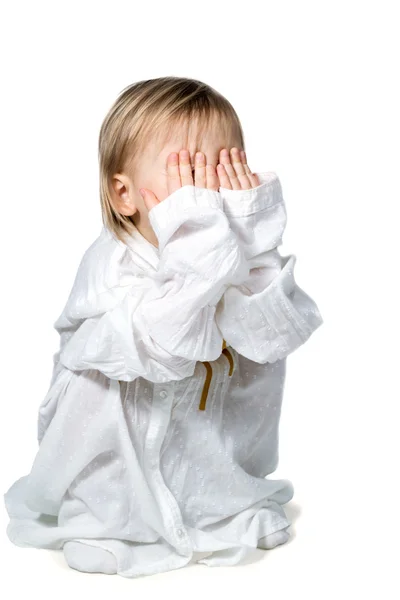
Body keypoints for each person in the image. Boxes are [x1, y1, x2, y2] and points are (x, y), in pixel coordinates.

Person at [3, 76, 324, 578]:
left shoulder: (229, 249)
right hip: (114, 449)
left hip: (204, 443)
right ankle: (106, 521)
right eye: (188, 178)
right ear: (125, 194)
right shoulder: (112, 267)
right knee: (111, 483)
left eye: (224, 170)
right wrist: (199, 245)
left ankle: (220, 508)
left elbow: (269, 338)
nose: (210, 196)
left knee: (218, 461)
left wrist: (255, 249)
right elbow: (167, 345)